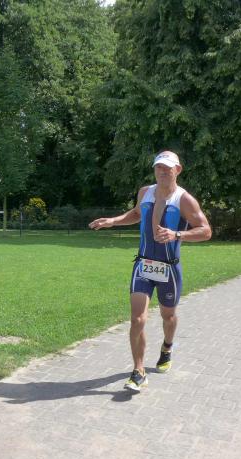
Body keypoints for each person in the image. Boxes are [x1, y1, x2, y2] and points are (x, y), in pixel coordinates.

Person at [89, 150, 212, 392]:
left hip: (169, 269)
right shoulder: (145, 192)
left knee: (168, 316)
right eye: (159, 167)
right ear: (154, 169)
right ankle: (138, 371)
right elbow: (136, 214)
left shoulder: (184, 199)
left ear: (178, 170)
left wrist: (177, 234)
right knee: (137, 319)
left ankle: (167, 347)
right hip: (143, 265)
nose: (163, 171)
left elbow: (206, 231)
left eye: (168, 168)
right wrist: (113, 221)